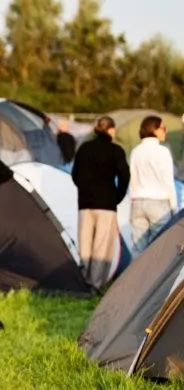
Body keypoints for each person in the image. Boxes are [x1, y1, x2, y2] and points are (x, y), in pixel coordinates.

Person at [72, 116, 130, 288]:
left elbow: (75, 174)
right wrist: (117, 196)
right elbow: (124, 176)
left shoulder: (84, 149)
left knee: (85, 243)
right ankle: (95, 283)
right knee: (102, 245)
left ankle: (83, 280)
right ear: (111, 130)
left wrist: (84, 190)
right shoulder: (116, 150)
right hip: (106, 203)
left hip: (85, 203)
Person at [128, 115, 178, 251]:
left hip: (138, 202)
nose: (165, 131)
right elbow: (169, 182)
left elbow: (132, 180)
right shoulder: (163, 152)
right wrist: (174, 209)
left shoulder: (135, 151)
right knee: (159, 248)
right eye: (163, 128)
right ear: (154, 130)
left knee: (138, 248)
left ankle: (137, 273)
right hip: (159, 203)